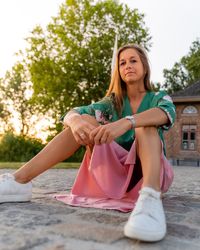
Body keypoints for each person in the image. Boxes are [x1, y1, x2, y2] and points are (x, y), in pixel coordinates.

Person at [0, 44, 176, 242]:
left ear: (144, 66)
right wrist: (74, 121)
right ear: (118, 70)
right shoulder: (112, 103)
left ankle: (150, 199)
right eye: (122, 63)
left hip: (147, 173)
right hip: (116, 175)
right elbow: (72, 112)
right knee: (84, 121)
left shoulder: (158, 97)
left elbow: (166, 113)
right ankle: (18, 181)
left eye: (133, 60)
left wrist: (127, 122)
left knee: (145, 125)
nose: (128, 66)